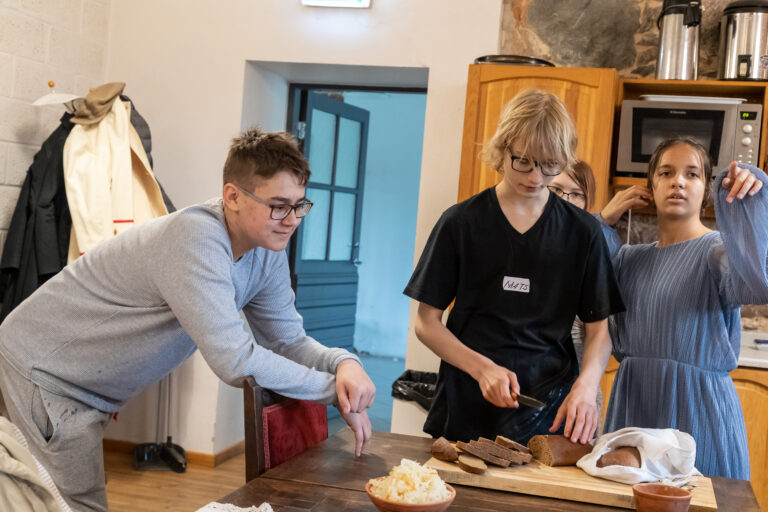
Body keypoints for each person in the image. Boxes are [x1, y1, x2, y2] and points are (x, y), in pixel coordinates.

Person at [0, 127, 376, 511]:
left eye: (300, 205)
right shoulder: (195, 237)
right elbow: (235, 360)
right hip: (45, 371)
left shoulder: (268, 251)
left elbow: (287, 341)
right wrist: (333, 392)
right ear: (232, 196)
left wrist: (343, 364)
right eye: (278, 206)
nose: (292, 220)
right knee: (71, 505)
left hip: (87, 385)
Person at [403, 89, 625, 446]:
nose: (536, 177)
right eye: (523, 161)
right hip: (465, 402)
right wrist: (482, 369)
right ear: (502, 148)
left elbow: (600, 329)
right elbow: (426, 323)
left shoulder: (583, 232)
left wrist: (586, 385)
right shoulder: (460, 223)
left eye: (549, 165)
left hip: (549, 407)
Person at [597, 137, 767, 479]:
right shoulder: (628, 259)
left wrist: (751, 201)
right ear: (650, 187)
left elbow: (758, 284)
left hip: (699, 413)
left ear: (707, 191)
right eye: (666, 173)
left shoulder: (716, 251)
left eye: (692, 174)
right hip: (635, 405)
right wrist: (602, 219)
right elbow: (576, 278)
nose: (678, 181)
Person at [547, 160, 604, 424]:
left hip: (578, 386)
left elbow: (601, 330)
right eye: (557, 189)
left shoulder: (591, 250)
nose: (565, 200)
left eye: (576, 194)